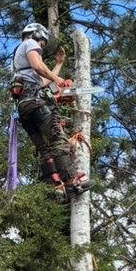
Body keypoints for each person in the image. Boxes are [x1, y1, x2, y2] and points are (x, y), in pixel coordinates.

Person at [10, 23, 89, 199]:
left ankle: (56, 187)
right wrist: (58, 79)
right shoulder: (30, 44)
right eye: (43, 44)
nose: (42, 47)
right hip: (35, 103)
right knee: (58, 139)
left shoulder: (18, 62)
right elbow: (39, 67)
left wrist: (58, 65)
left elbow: (41, 81)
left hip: (24, 109)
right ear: (37, 34)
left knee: (45, 149)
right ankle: (71, 182)